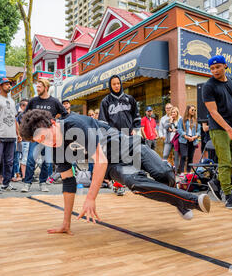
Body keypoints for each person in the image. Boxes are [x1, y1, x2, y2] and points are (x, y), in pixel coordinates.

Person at [19, 109, 211, 235]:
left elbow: (99, 158)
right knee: (135, 183)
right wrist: (65, 223)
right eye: (40, 142)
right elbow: (68, 185)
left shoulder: (74, 124)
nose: (46, 143)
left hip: (130, 147)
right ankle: (191, 201)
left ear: (53, 123)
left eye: (45, 137)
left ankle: (177, 199)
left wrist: (91, 197)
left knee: (165, 175)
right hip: (113, 164)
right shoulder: (58, 150)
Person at [202, 55, 232, 210]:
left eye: (218, 67)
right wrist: (229, 130)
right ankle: (228, 196)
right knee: (225, 162)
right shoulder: (209, 86)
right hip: (219, 129)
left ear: (225, 66)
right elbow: (213, 112)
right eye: (212, 68)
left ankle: (217, 181)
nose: (215, 70)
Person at [21, 78, 68, 193]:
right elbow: (25, 116)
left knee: (47, 161)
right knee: (31, 160)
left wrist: (56, 123)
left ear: (46, 88)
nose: (37, 89)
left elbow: (65, 114)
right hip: (35, 136)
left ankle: (43, 182)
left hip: (49, 137)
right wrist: (27, 132)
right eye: (37, 87)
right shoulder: (33, 101)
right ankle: (27, 183)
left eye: (39, 87)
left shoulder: (54, 102)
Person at [0, 77, 20, 194]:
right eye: (6, 84)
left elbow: (14, 118)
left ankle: (6, 183)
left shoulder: (12, 100)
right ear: (0, 86)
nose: (9, 86)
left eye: (9, 84)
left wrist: (18, 133)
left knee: (9, 161)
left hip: (11, 135)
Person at [178, 105, 200, 174]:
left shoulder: (196, 120)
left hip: (193, 141)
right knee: (184, 155)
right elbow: (179, 129)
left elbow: (199, 131)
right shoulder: (182, 120)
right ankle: (181, 172)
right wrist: (186, 136)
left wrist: (194, 137)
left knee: (190, 157)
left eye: (195, 110)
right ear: (188, 110)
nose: (194, 111)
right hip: (184, 140)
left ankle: (188, 172)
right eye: (192, 110)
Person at [13, 99, 29, 182]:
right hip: (22, 140)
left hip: (26, 140)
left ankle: (23, 175)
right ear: (22, 106)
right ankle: (21, 175)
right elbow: (18, 127)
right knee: (20, 158)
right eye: (25, 105)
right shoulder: (20, 116)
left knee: (23, 158)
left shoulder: (28, 115)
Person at [162, 107, 181, 171]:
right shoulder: (168, 120)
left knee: (176, 156)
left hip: (176, 141)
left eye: (174, 112)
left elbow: (182, 129)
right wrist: (170, 121)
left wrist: (175, 130)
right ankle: (163, 169)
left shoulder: (180, 120)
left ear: (177, 113)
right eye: (172, 112)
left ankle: (176, 171)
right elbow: (165, 127)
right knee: (165, 155)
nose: (173, 113)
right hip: (168, 140)